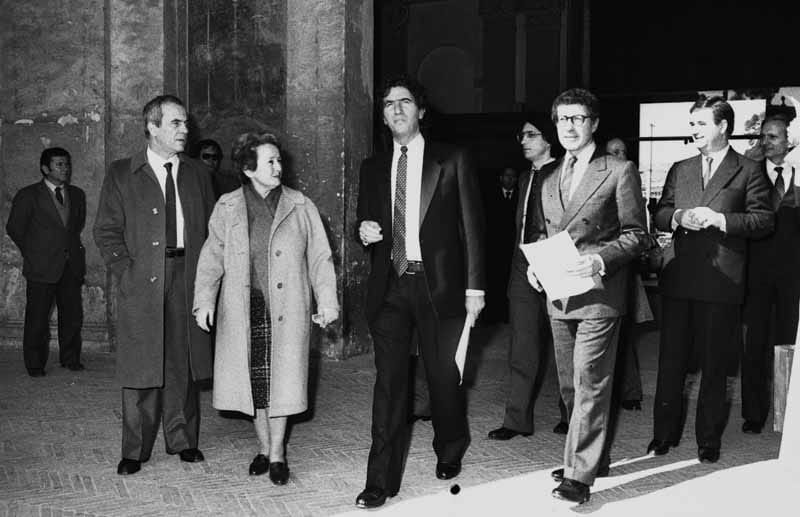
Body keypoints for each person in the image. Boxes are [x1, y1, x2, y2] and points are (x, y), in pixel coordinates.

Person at [354, 76, 485, 509]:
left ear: (421, 111)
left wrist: (475, 288)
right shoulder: (372, 167)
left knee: (443, 377)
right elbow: (364, 223)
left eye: (405, 101)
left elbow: (472, 229)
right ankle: (380, 480)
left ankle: (450, 445)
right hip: (390, 284)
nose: (396, 109)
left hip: (439, 285)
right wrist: (363, 230)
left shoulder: (452, 159)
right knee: (389, 385)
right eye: (388, 103)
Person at [193, 132, 339, 485]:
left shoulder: (300, 205)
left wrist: (328, 301)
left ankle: (277, 453)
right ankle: (262, 446)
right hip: (244, 308)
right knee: (255, 383)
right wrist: (204, 300)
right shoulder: (227, 206)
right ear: (248, 169)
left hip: (288, 306)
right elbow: (212, 256)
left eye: (279, 160)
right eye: (270, 161)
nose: (278, 167)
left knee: (282, 382)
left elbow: (320, 257)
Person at [531, 88, 648, 504]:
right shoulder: (548, 176)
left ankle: (578, 476)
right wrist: (535, 265)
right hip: (559, 295)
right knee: (569, 385)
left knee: (589, 380)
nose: (569, 126)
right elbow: (545, 233)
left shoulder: (618, 170)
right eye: (562, 119)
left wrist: (600, 260)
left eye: (578, 118)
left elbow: (637, 235)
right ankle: (590, 458)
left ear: (594, 123)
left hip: (599, 293)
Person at [94, 94, 216, 476]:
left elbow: (214, 231)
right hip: (142, 277)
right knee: (141, 363)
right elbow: (106, 231)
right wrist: (126, 271)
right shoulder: (121, 173)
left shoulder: (198, 173)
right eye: (176, 123)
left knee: (182, 361)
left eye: (186, 123)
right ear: (152, 127)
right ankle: (135, 448)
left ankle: (183, 439)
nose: (185, 130)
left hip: (187, 274)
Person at [651, 96, 773, 463]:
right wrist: (678, 217)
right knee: (671, 363)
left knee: (715, 366)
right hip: (679, 277)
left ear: (723, 126)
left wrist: (720, 220)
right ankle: (663, 435)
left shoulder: (748, 170)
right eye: (692, 124)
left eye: (701, 124)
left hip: (722, 284)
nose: (694, 130)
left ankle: (708, 439)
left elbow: (763, 220)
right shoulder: (680, 168)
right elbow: (660, 213)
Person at [487, 113, 568, 441]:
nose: (524, 141)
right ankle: (516, 420)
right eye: (522, 135)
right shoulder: (523, 178)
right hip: (522, 266)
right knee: (521, 347)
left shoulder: (565, 172)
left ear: (548, 139)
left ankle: (571, 415)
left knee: (564, 344)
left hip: (555, 261)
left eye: (531, 135)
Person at [741, 114, 800, 434]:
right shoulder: (751, 175)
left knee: (789, 344)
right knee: (755, 345)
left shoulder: (799, 175)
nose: (766, 142)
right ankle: (754, 413)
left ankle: (787, 414)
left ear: (789, 141)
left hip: (793, 276)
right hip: (757, 275)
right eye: (763, 136)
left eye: (773, 137)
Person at [6, 147, 86, 376]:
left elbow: (74, 227)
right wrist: (33, 252)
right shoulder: (28, 195)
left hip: (71, 265)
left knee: (72, 316)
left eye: (67, 164)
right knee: (38, 319)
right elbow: (14, 228)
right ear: (45, 168)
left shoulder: (77, 194)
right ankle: (35, 364)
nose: (65, 169)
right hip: (41, 266)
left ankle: (70, 359)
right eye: (59, 164)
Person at [483, 166, 519, 324]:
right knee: (493, 281)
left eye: (513, 176)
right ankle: (491, 316)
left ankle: (506, 316)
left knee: (508, 282)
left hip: (512, 249)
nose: (510, 179)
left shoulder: (520, 197)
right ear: (501, 178)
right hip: (493, 248)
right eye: (507, 175)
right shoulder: (489, 196)